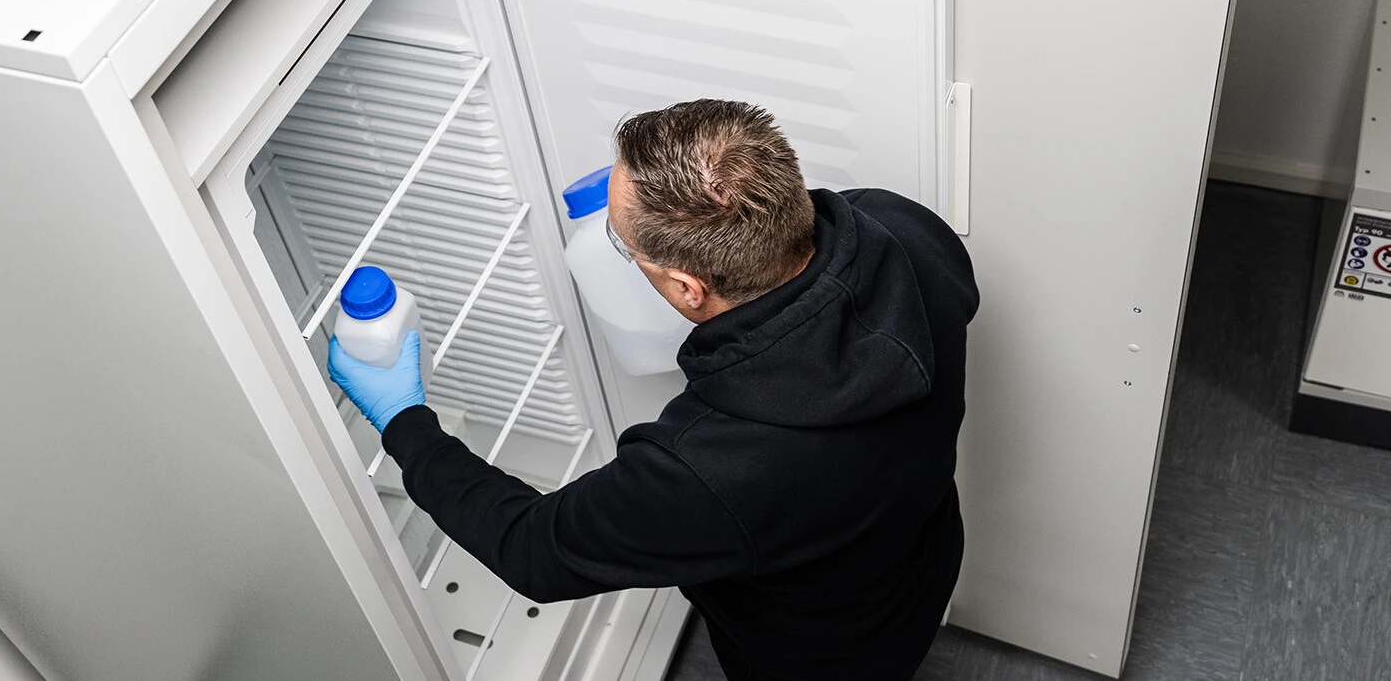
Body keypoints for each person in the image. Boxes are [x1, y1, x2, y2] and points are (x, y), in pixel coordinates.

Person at [329, 99, 978, 681]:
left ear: (687, 288)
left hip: (813, 655)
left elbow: (531, 549)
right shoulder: (905, 228)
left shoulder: (709, 466)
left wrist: (404, 420)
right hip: (923, 561)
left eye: (620, 241)